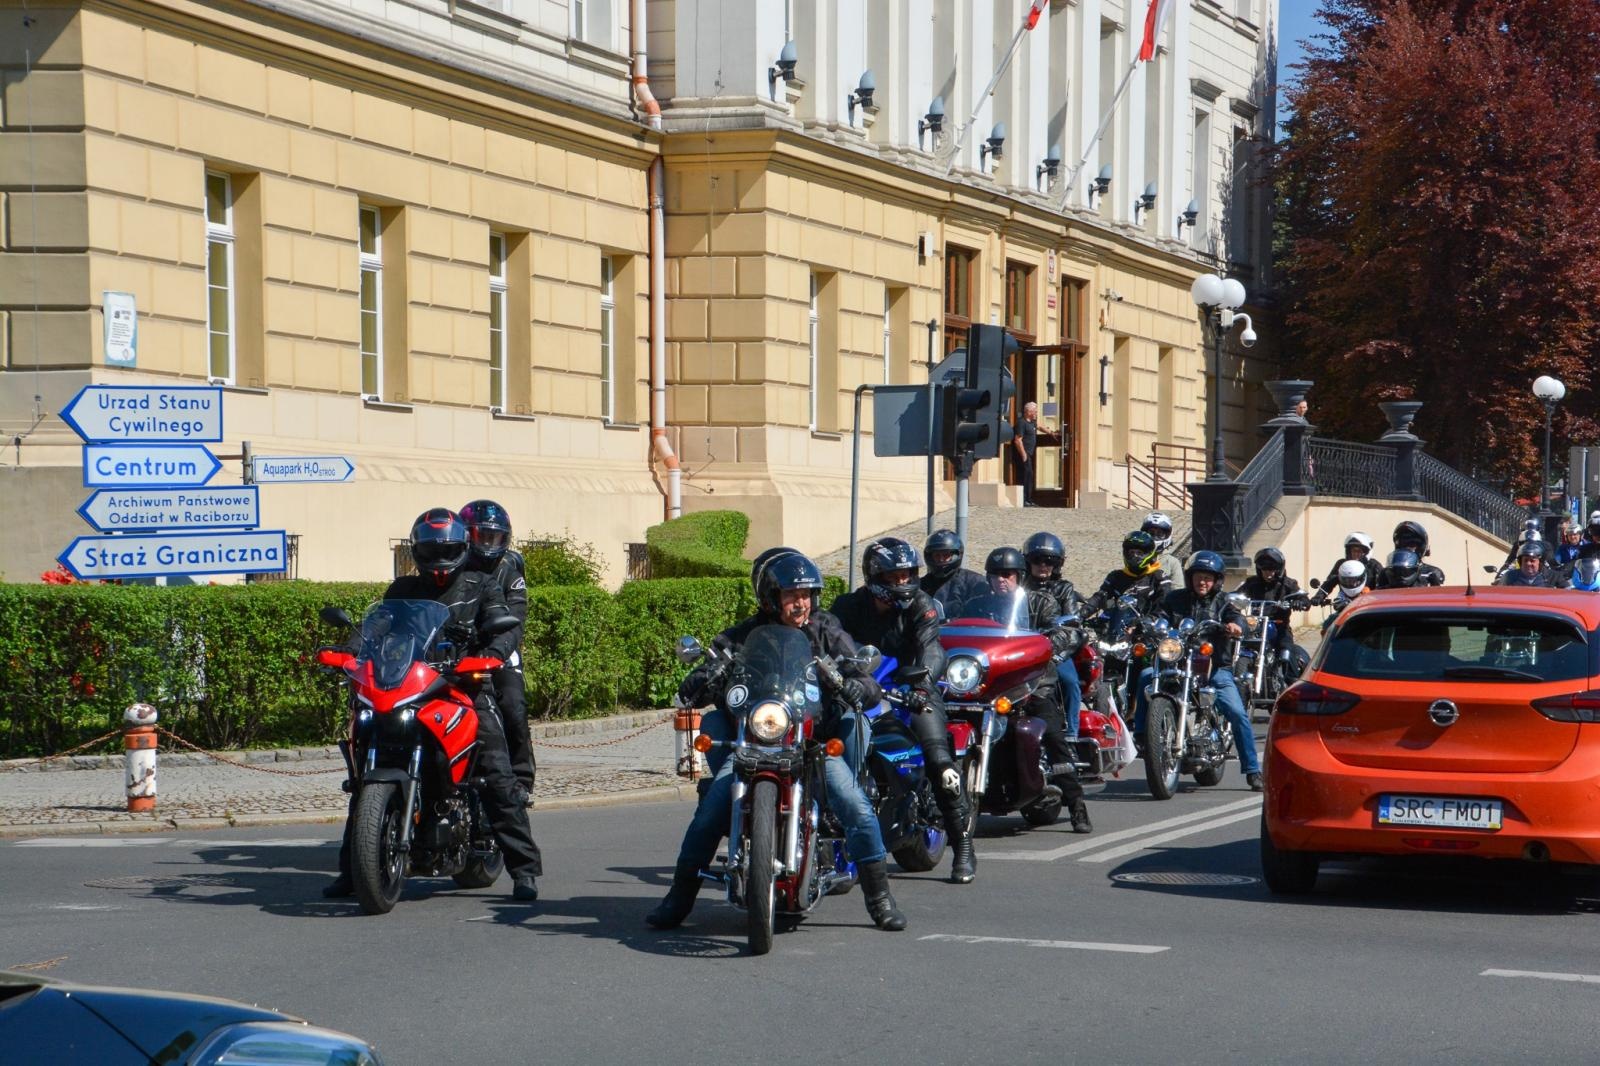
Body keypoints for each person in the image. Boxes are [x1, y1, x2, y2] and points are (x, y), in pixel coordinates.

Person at [647, 550, 907, 933]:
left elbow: (864, 675)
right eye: (790, 594)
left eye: (806, 594)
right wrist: (707, 675)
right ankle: (679, 898)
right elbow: (704, 673)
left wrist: (856, 683)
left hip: (810, 744)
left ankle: (880, 899)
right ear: (770, 596)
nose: (801, 602)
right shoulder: (742, 636)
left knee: (856, 806)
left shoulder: (826, 629)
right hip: (752, 744)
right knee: (708, 814)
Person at [324, 508, 543, 901]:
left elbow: (502, 622)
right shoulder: (402, 589)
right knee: (362, 780)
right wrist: (349, 650)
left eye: (448, 550)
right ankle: (352, 869)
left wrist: (492, 653)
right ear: (417, 551)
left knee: (496, 773)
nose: (440, 560)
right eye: (430, 550)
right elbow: (375, 629)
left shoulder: (482, 585)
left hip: (464, 683)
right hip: (410, 683)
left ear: (462, 548)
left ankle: (524, 870)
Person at [831, 537, 976, 884]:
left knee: (940, 762)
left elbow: (932, 649)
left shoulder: (922, 605)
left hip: (910, 689)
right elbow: (825, 641)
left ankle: (963, 847)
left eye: (909, 575)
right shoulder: (848, 606)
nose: (904, 583)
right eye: (895, 577)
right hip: (860, 691)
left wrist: (923, 684)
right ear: (875, 576)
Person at [1130, 551, 1263, 791]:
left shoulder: (1223, 603)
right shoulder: (1174, 599)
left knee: (1236, 712)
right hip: (1178, 662)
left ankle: (1253, 770)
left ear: (1217, 581)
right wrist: (1144, 624)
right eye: (1198, 576)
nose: (1203, 582)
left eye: (1208, 578)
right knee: (1146, 676)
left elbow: (1238, 618)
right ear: (1190, 577)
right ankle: (1142, 734)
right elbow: (1159, 615)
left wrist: (1236, 625)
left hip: (1214, 668)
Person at [984, 547, 1092, 832]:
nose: (1001, 581)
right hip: (992, 687)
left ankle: (1077, 805)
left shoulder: (1041, 602)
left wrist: (1045, 646)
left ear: (1018, 576)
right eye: (995, 575)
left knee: (1055, 738)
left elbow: (1063, 633)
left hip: (1033, 684)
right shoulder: (980, 605)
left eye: (1007, 575)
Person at [459, 499, 534, 800]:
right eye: (482, 536)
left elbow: (515, 621)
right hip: (456, 654)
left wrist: (496, 652)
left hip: (498, 653)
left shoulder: (510, 575)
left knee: (514, 705)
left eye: (494, 537)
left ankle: (521, 779)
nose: (488, 544)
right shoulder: (453, 567)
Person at [1022, 532, 1086, 744]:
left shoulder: (1063, 588)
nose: (1043, 565)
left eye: (1049, 561)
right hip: (1022, 647)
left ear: (1057, 564)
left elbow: (1074, 626)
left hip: (1055, 649)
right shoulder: (1020, 588)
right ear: (1027, 561)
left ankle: (1071, 732)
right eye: (1037, 560)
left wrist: (1058, 652)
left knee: (1069, 682)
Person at [1233, 547, 1311, 677]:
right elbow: (1237, 594)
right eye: (1264, 569)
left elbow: (1303, 598)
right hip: (1256, 626)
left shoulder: (1288, 584)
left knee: (1286, 649)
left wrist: (1300, 601)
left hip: (1280, 627)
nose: (1268, 573)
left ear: (1279, 569)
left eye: (1272, 569)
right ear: (1259, 569)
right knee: (1237, 644)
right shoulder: (1252, 583)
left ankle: (1291, 682)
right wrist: (1231, 599)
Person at [1083, 530, 1170, 619]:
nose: (1134, 556)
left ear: (1148, 554)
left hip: (1146, 629)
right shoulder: (1115, 576)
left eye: (1139, 553)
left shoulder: (1159, 577)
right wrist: (1082, 613)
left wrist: (1150, 620)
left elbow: (1164, 605)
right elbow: (1100, 597)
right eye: (1131, 553)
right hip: (1116, 627)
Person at [920, 528, 988, 619]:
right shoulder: (922, 586)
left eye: (945, 555)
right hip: (933, 632)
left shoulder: (974, 582)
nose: (941, 560)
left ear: (956, 555)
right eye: (937, 555)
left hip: (964, 632)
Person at [1310, 532, 1380, 606]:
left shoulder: (1374, 565)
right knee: (1332, 618)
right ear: (1349, 551)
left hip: (1368, 607)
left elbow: (1382, 586)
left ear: (1365, 552)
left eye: (1359, 551)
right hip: (1343, 604)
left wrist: (1372, 594)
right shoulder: (1342, 565)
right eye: (1353, 551)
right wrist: (1319, 596)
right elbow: (1329, 583)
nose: (1356, 554)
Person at [1391, 521, 1446, 585]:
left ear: (1421, 546)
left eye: (1412, 544)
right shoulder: (1388, 572)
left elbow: (1438, 594)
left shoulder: (1432, 572)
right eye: (1404, 544)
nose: (1407, 548)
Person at [1497, 540, 1565, 587]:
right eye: (1525, 560)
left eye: (1532, 561)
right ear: (1520, 562)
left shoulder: (1554, 577)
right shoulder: (1509, 577)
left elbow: (1568, 594)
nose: (1528, 563)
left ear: (1539, 562)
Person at [1141, 511, 1184, 579]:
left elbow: (1178, 588)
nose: (1155, 536)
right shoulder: (1137, 557)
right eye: (1151, 533)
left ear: (1167, 534)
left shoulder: (1172, 562)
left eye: (1160, 533)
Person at [1014, 401, 1039, 507]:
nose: (1036, 413)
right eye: (1035, 411)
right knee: (1025, 476)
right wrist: (1023, 455)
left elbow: (1039, 426)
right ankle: (1024, 500)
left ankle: (1028, 499)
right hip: (1024, 455)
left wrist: (1050, 432)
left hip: (1029, 453)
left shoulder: (1032, 422)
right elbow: (1017, 440)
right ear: (1029, 412)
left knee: (1029, 476)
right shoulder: (1022, 422)